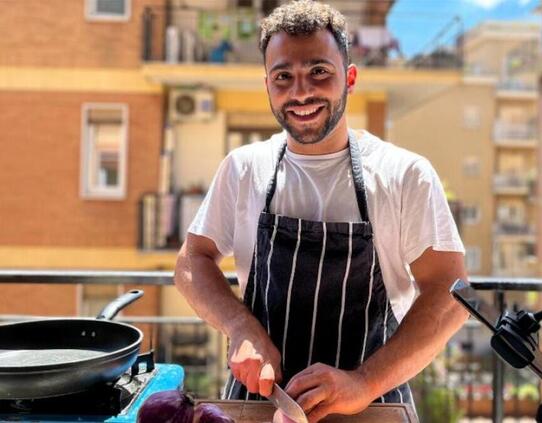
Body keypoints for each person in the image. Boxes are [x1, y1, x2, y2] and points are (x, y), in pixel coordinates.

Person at [174, 1, 469, 421]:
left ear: (349, 78)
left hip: (373, 406)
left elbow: (450, 293)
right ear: (267, 85)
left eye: (318, 72)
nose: (300, 92)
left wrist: (363, 382)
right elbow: (191, 261)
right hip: (259, 403)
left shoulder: (403, 174)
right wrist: (239, 326)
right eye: (283, 77)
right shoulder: (243, 169)